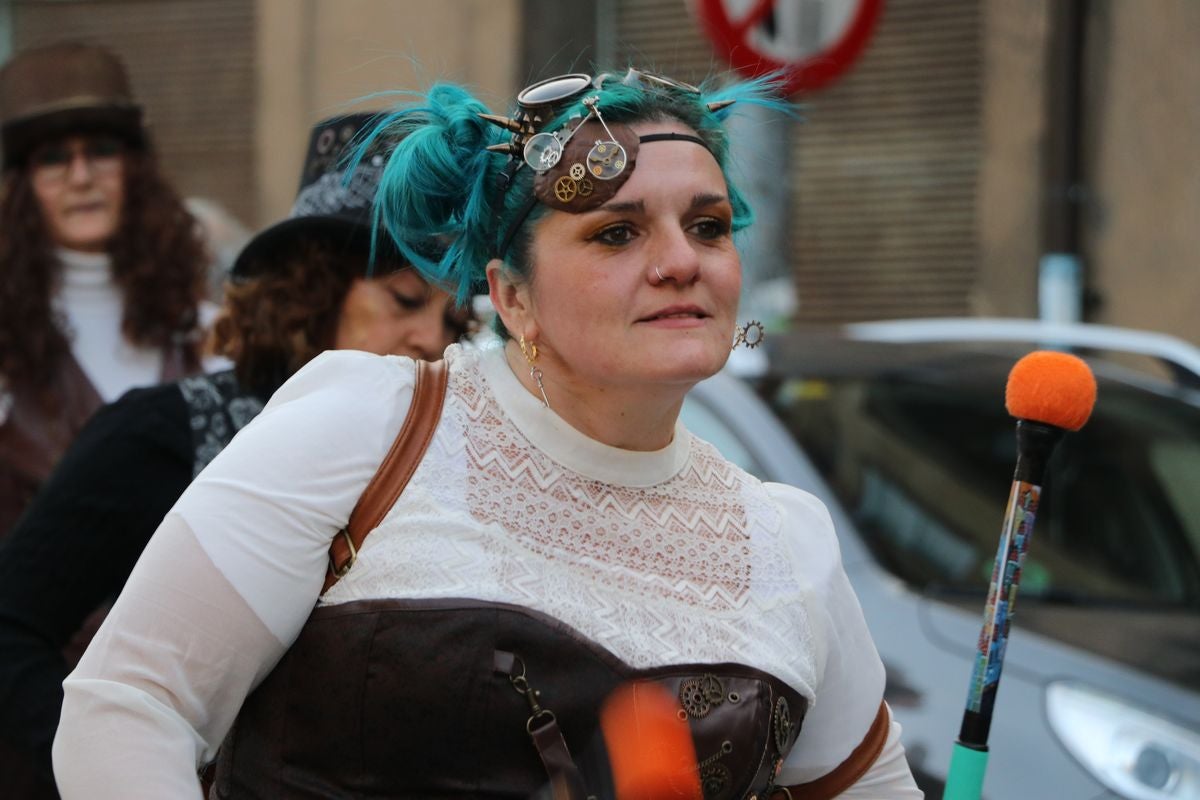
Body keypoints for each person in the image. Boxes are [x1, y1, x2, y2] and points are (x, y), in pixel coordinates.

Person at [53, 69, 921, 798]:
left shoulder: (786, 542)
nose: (681, 260)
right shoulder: (370, 428)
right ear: (511, 298)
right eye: (617, 231)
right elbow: (132, 702)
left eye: (708, 225)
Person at [0, 111, 469, 798]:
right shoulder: (165, 432)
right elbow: (11, 625)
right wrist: (112, 771)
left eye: (456, 319)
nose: (432, 338)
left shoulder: (455, 453)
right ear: (316, 285)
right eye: (405, 299)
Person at [0, 42, 214, 538]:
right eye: (54, 158)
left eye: (101, 151)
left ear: (134, 169)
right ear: (23, 184)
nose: (81, 177)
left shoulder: (206, 334)